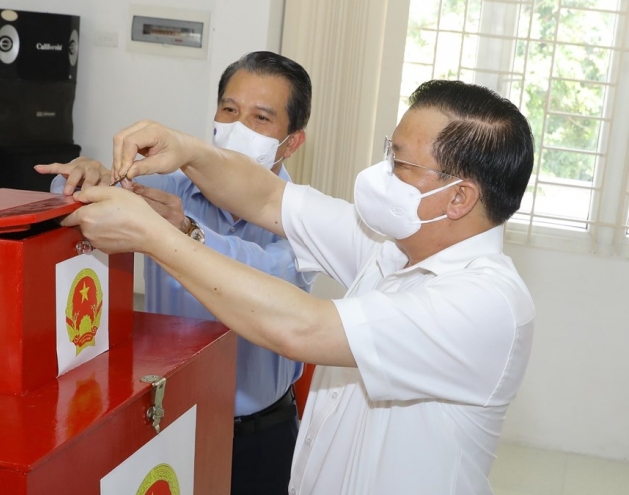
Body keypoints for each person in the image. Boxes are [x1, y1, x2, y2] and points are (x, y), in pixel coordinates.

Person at [56, 80, 536, 494]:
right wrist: (189, 150)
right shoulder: (393, 248)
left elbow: (301, 328)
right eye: (389, 152)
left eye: (401, 163)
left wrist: (154, 238)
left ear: (458, 197)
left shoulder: (486, 304)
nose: (384, 172)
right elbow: (268, 198)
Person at [36, 51, 316, 495]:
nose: (238, 128)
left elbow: (265, 273)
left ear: (292, 142)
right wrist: (86, 175)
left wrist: (185, 231)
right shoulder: (167, 186)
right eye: (229, 110)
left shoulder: (305, 219)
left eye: (260, 118)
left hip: (259, 436)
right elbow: (71, 199)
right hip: (169, 421)